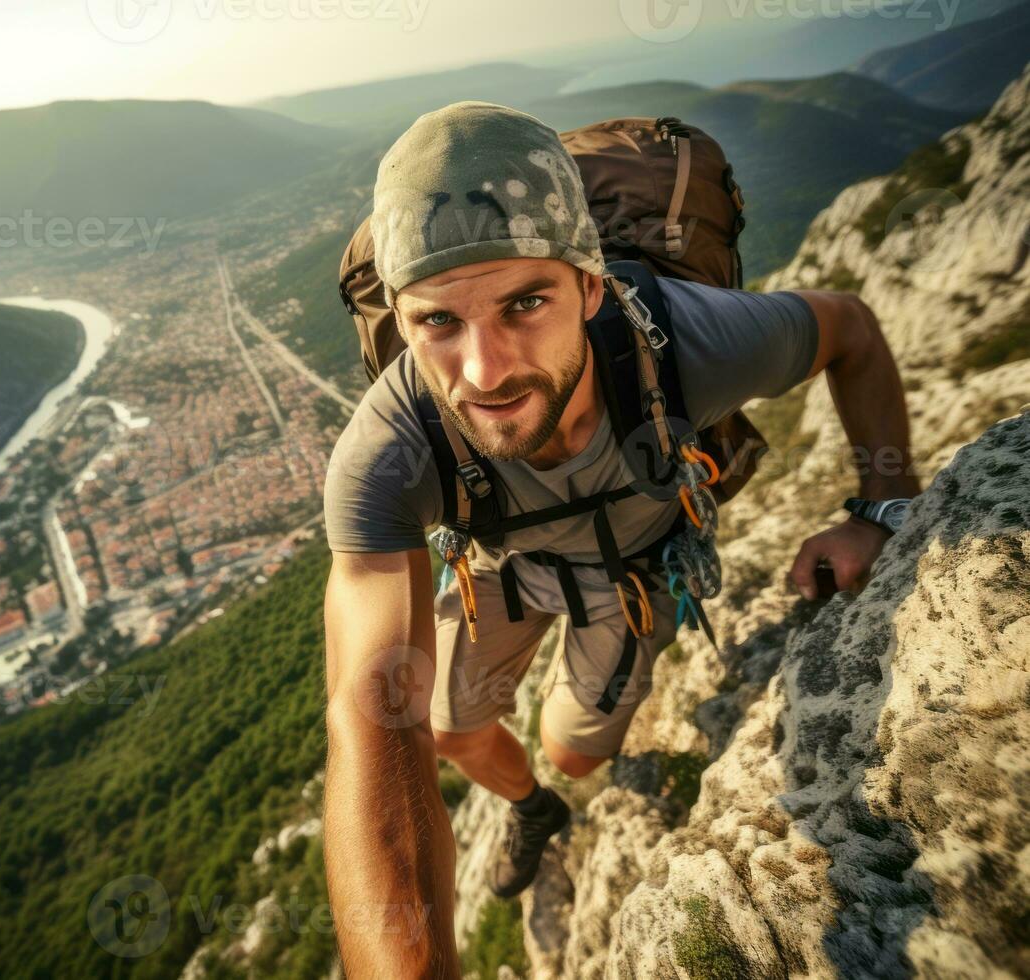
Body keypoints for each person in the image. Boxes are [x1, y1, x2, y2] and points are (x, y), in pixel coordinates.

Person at [320, 101, 919, 977]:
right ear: (402, 322)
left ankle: (553, 776)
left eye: (526, 301)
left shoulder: (683, 342)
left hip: (626, 577)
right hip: (502, 572)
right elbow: (375, 719)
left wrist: (882, 510)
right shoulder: (385, 452)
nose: (484, 373)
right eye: (438, 323)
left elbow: (851, 331)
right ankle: (532, 809)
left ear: (590, 287)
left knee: (571, 749)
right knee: (451, 731)